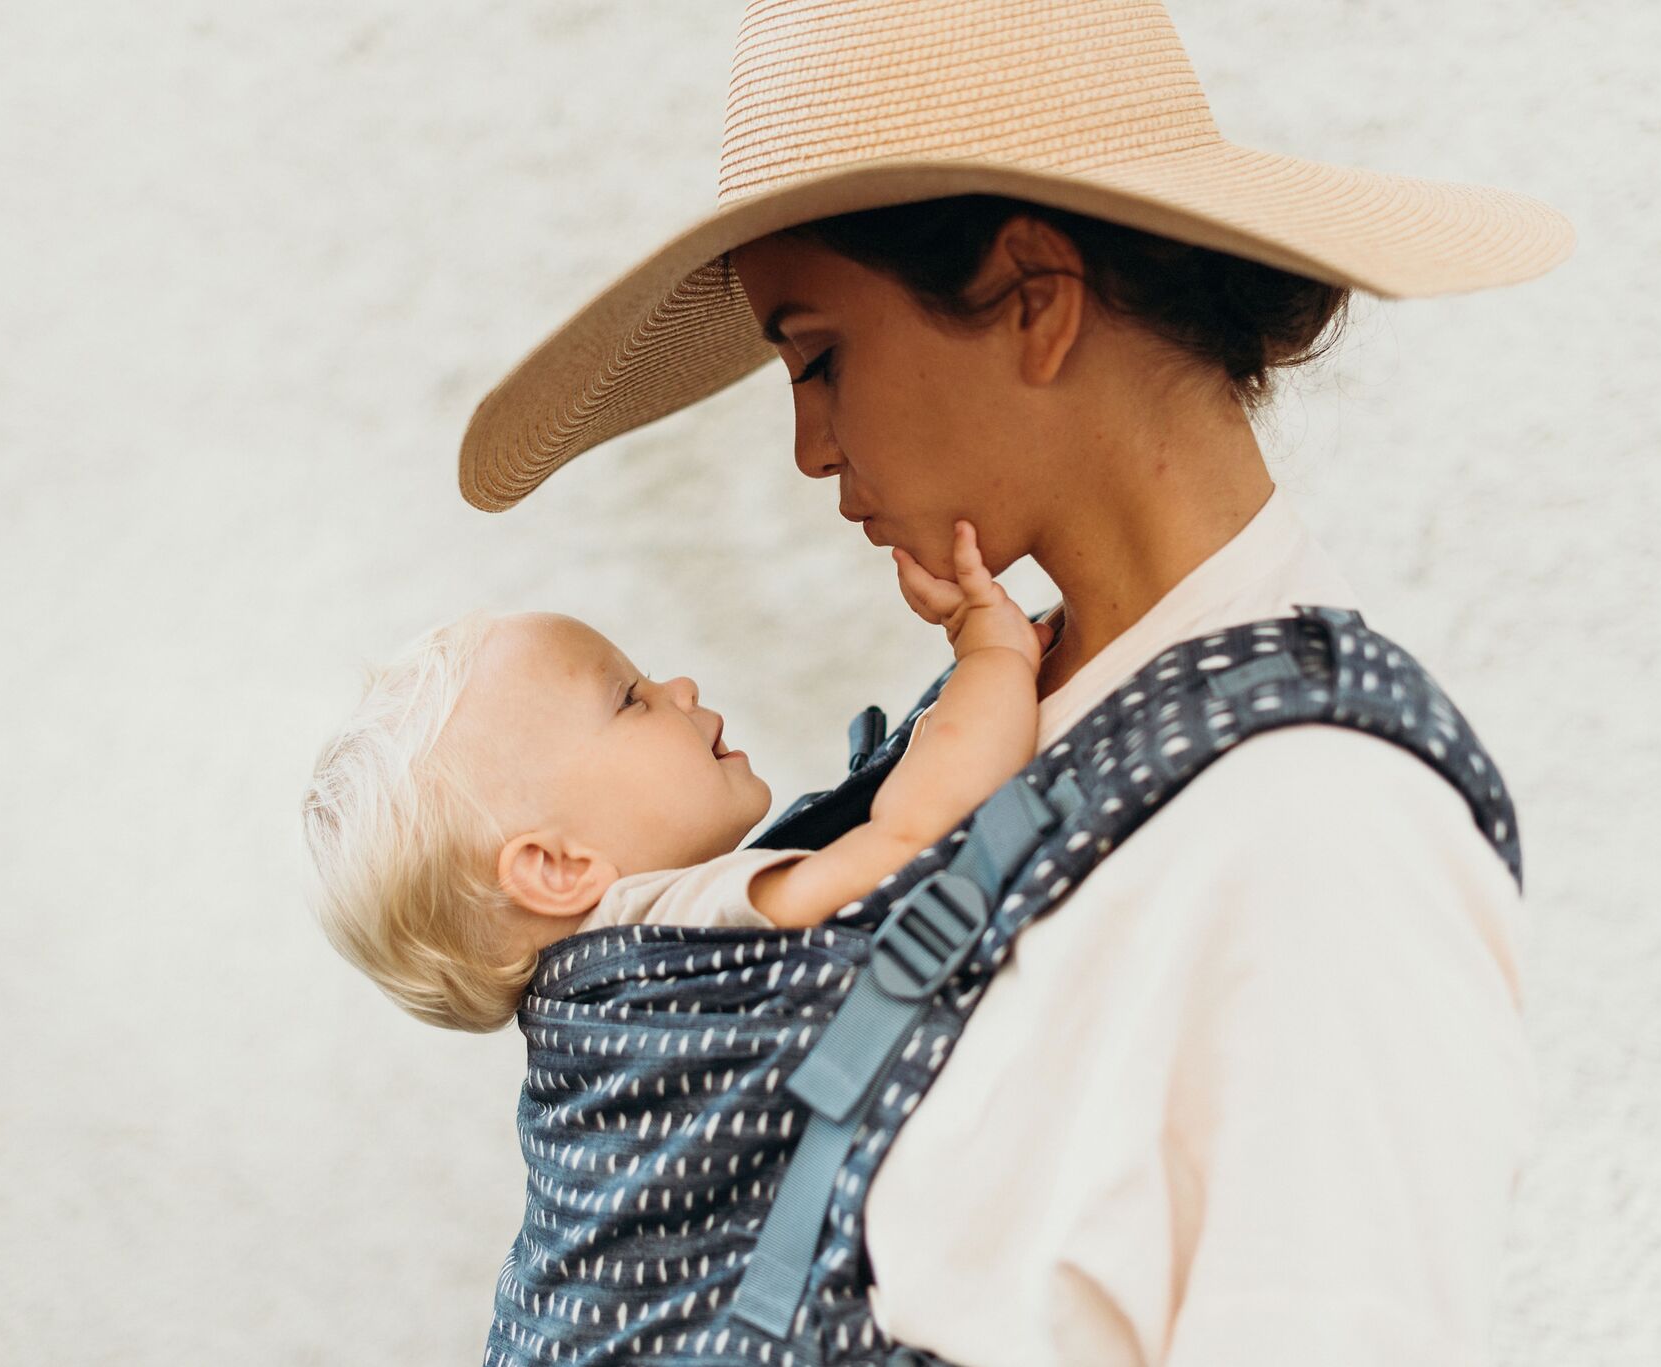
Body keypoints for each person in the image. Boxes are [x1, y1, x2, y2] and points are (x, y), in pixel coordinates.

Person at [452, 2, 1571, 1361]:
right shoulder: (1012, 723)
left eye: (819, 354)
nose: (809, 444)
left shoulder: (1317, 830)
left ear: (1036, 299)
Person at [300, 521, 1052, 1034]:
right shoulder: (669, 919)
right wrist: (990, 658)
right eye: (632, 698)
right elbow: (916, 836)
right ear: (558, 867)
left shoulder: (601, 1006)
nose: (683, 687)